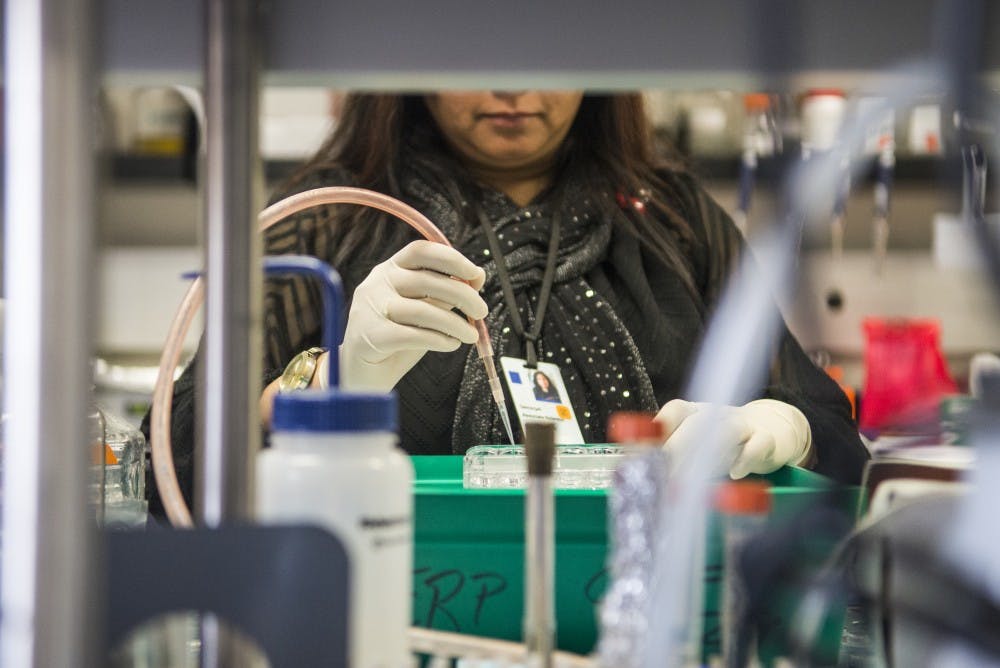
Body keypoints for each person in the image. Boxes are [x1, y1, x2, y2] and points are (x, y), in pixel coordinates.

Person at [145, 91, 869, 517]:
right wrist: (329, 382)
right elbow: (171, 465)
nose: (513, 84)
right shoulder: (327, 218)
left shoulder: (674, 220)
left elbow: (833, 434)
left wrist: (778, 427)